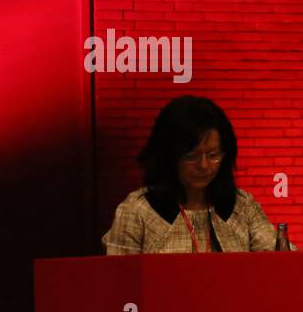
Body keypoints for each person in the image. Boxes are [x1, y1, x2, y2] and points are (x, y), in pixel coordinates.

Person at [103, 95, 288, 254]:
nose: (204, 165)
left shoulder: (242, 206)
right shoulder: (139, 211)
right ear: (169, 156)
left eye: (213, 155)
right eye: (191, 156)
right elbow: (118, 279)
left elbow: (280, 259)